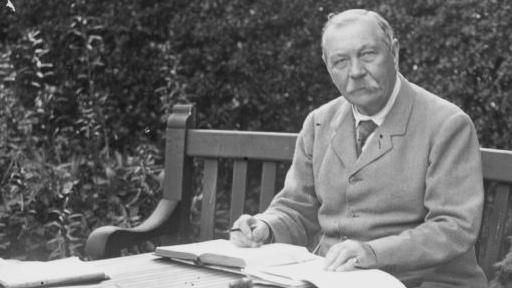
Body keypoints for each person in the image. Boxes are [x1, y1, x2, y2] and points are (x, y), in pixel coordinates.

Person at [230, 9, 488, 288]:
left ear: (395, 53)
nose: (355, 72)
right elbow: (296, 208)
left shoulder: (447, 124)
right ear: (327, 66)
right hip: (331, 280)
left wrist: (373, 253)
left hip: (423, 282)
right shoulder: (319, 122)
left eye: (367, 55)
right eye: (340, 61)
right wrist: (265, 227)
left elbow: (453, 227)